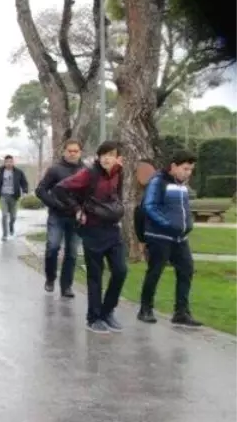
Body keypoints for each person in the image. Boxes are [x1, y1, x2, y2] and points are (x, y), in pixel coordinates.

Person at [54, 140, 128, 334]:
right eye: (103, 154)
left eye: (111, 154)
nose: (107, 158)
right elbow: (60, 189)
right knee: (95, 276)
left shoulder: (119, 172)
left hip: (113, 229)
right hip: (93, 231)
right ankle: (93, 318)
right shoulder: (88, 173)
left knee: (120, 271)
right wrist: (77, 209)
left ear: (117, 157)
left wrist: (118, 210)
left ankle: (107, 311)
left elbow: (117, 195)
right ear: (98, 156)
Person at [138, 150, 204, 328]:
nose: (188, 173)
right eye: (185, 169)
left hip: (180, 238)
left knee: (186, 270)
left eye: (190, 169)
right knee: (155, 271)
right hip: (159, 236)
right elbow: (149, 207)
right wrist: (168, 224)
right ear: (174, 166)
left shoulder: (182, 185)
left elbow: (182, 209)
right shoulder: (158, 181)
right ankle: (145, 309)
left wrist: (187, 224)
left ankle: (181, 312)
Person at [34, 139, 86, 298]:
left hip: (75, 217)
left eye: (75, 151)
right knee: (53, 246)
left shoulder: (85, 171)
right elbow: (40, 190)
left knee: (71, 253)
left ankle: (67, 286)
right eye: (69, 150)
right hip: (57, 215)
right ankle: (50, 278)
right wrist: (54, 204)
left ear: (80, 152)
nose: (72, 153)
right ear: (64, 151)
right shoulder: (55, 170)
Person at [0, 154, 29, 240]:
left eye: (10, 162)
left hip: (14, 197)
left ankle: (11, 225)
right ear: (4, 163)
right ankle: (4, 234)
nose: (9, 163)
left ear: (13, 162)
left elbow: (24, 183)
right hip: (3, 196)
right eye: (7, 162)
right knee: (4, 215)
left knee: (13, 217)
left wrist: (25, 191)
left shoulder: (19, 172)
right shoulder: (0, 173)